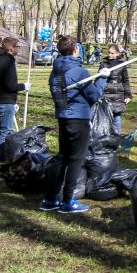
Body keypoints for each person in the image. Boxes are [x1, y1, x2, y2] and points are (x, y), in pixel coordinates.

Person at [41, 35, 108, 214]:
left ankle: (50, 198)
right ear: (76, 50)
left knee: (63, 156)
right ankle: (68, 200)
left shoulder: (55, 70)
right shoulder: (79, 72)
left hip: (63, 117)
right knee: (76, 159)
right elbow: (94, 97)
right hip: (78, 119)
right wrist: (102, 79)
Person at [0, 37, 30, 162]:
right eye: (17, 47)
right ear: (11, 48)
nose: (19, 49)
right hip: (5, 101)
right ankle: (2, 158)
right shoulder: (8, 64)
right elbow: (10, 85)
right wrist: (23, 86)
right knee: (5, 132)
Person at [99, 44, 132, 134]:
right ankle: (106, 137)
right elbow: (99, 80)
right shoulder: (103, 63)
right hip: (106, 92)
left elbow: (125, 80)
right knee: (106, 118)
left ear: (117, 53)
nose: (110, 55)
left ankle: (116, 137)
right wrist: (99, 94)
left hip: (118, 93)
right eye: (109, 53)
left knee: (117, 118)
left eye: (112, 53)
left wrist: (127, 94)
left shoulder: (122, 64)